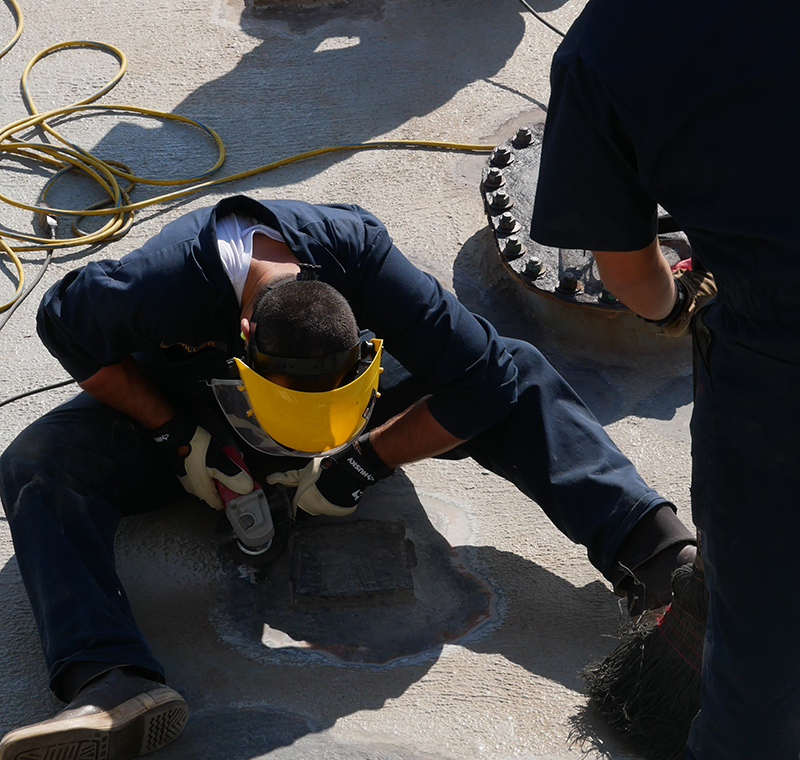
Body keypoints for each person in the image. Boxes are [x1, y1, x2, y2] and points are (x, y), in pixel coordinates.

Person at [0, 195, 695, 760]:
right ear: (244, 329)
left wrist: (363, 462)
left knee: (520, 372)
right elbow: (64, 326)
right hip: (196, 410)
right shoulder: (159, 283)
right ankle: (110, 678)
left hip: (352, 423)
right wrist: (176, 435)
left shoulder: (359, 253)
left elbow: (486, 377)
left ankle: (660, 556)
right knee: (37, 465)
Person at [479, 0, 800, 759]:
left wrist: (675, 307)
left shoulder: (598, 53)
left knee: (754, 638)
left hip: (776, 355)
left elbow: (630, 275)